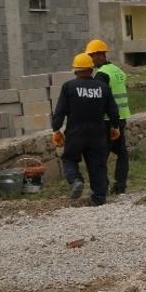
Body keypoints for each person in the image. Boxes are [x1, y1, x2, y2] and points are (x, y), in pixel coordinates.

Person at [51, 53, 121, 206]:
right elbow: (113, 110)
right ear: (91, 69)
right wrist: (115, 126)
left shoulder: (68, 87)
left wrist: (56, 129)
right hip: (98, 133)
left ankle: (76, 180)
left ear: (76, 70)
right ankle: (99, 197)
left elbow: (60, 111)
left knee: (69, 158)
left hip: (75, 133)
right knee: (97, 164)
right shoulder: (103, 87)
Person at [85, 38, 130, 195]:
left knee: (100, 155)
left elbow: (100, 99)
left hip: (107, 120)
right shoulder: (117, 70)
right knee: (122, 153)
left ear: (99, 55)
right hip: (121, 117)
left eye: (91, 56)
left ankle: (101, 188)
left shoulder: (101, 75)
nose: (90, 60)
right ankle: (120, 186)